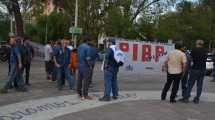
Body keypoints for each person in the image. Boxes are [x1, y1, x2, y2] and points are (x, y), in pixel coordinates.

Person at [77, 35, 93, 100]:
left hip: (79, 65)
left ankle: (79, 93)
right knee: (86, 81)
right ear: (87, 41)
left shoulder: (79, 46)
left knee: (79, 80)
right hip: (85, 66)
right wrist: (90, 65)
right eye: (89, 41)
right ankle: (85, 94)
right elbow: (87, 58)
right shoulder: (88, 47)